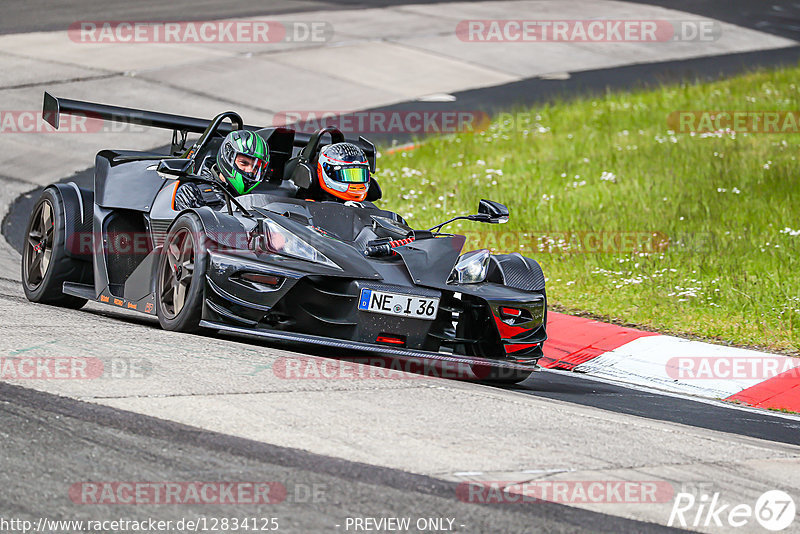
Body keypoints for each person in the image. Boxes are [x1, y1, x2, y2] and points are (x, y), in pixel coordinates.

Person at [174, 129, 269, 211]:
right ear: (228, 157)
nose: (249, 170)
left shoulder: (256, 203)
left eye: (255, 167)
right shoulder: (192, 192)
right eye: (244, 163)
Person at [307, 142, 371, 202]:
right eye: (347, 175)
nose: (356, 186)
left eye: (359, 175)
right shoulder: (309, 206)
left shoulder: (369, 208)